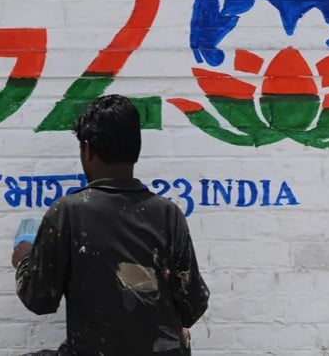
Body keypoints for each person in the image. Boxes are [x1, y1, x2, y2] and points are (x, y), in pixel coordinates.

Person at [12, 94, 209, 356]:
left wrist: (25, 259)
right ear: (136, 149)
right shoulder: (168, 214)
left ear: (88, 150)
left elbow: (38, 299)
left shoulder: (68, 213)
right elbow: (193, 303)